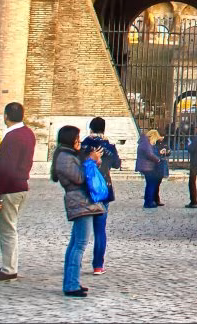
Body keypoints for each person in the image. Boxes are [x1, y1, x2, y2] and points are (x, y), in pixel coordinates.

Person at [51, 125, 105, 297]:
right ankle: (71, 284)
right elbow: (80, 178)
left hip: (82, 202)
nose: (79, 141)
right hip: (79, 202)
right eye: (76, 138)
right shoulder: (64, 158)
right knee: (80, 244)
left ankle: (71, 281)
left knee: (76, 243)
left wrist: (92, 161)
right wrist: (90, 161)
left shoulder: (69, 155)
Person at [0, 102, 35, 283]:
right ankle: (10, 266)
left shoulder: (11, 137)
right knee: (11, 227)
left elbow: (4, 169)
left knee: (7, 230)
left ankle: (9, 269)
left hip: (10, 187)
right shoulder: (28, 133)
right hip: (22, 184)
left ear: (6, 116)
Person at [80, 117, 121, 276]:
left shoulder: (84, 145)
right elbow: (117, 164)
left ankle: (75, 262)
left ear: (90, 128)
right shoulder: (109, 146)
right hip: (103, 189)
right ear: (103, 129)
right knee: (100, 230)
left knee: (80, 229)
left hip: (85, 189)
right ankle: (98, 265)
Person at [136, 129, 165, 209]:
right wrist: (158, 160)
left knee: (150, 184)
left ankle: (149, 201)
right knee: (151, 184)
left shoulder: (144, 142)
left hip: (146, 166)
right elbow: (149, 154)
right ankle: (149, 202)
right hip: (147, 166)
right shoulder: (146, 143)